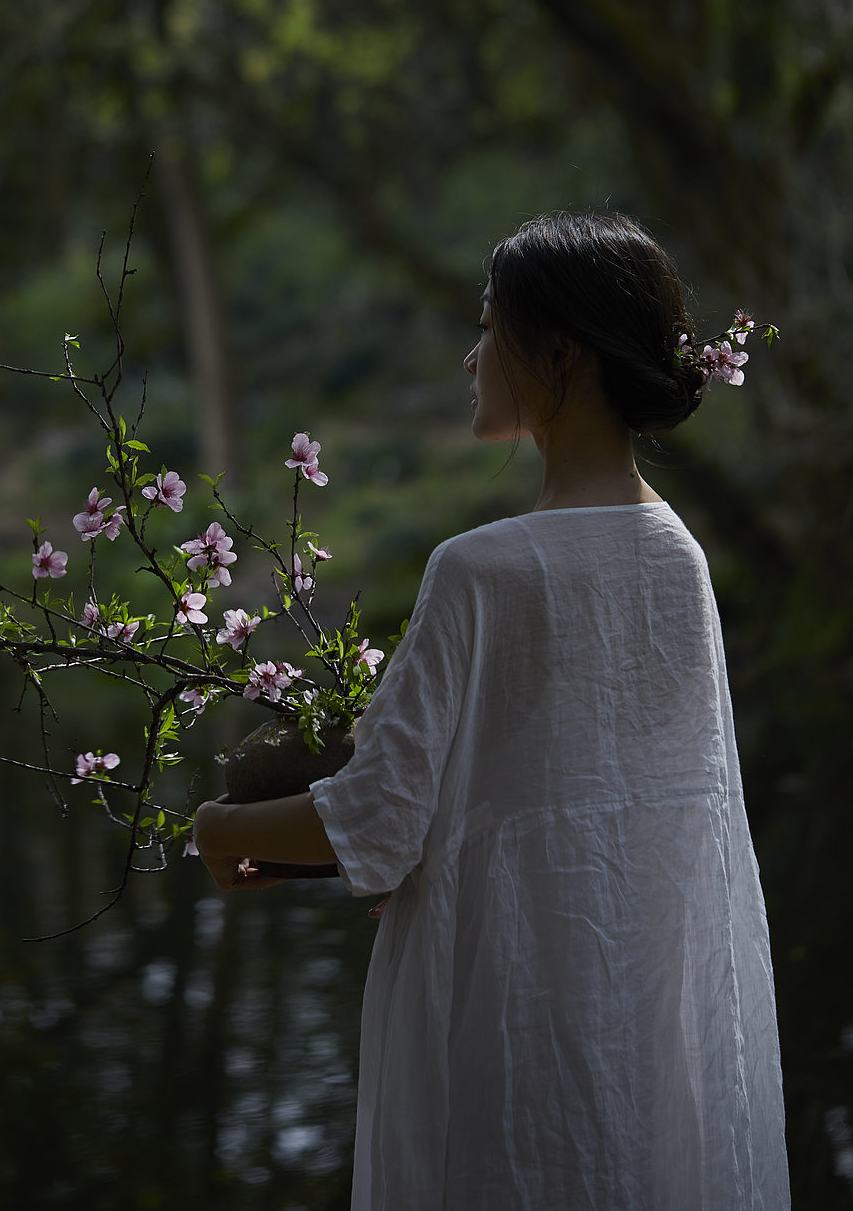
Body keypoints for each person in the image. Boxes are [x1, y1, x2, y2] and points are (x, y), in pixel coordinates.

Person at [192, 211, 789, 1210]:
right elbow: (628, 816)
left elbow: (376, 828)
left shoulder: (477, 571)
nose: (471, 359)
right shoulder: (677, 559)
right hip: (643, 1043)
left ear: (558, 352)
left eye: (486, 329)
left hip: (501, 1040)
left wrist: (223, 835)